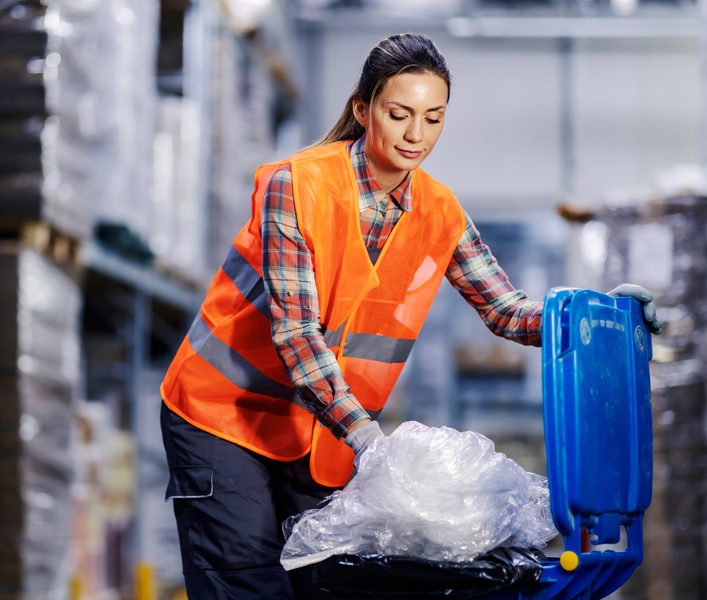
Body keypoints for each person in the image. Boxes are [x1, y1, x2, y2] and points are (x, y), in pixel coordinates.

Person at [159, 32, 662, 600]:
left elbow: (505, 310)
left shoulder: (439, 211)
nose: (416, 135)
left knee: (324, 581)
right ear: (363, 108)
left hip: (319, 433)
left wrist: (598, 316)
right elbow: (297, 334)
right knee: (248, 584)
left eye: (434, 118)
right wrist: (371, 442)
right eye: (399, 115)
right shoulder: (296, 186)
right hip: (226, 413)